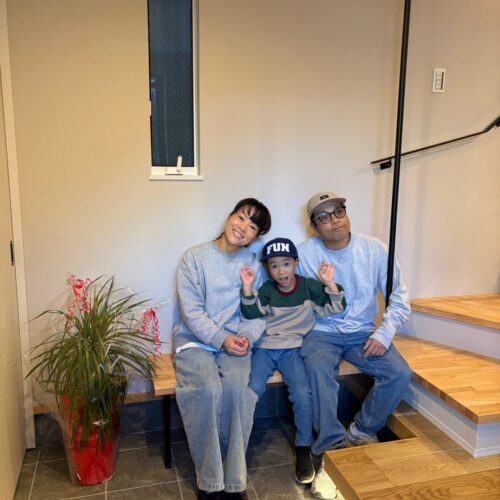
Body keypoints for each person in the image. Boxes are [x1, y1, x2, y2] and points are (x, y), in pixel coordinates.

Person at [297, 192, 412, 500]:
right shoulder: (304, 255)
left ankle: (360, 431)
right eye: (324, 217)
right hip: (321, 331)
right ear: (314, 226)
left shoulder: (374, 249)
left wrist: (384, 333)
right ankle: (330, 449)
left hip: (363, 332)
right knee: (319, 372)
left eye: (338, 212)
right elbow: (295, 301)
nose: (334, 220)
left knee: (399, 373)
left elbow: (399, 297)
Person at [172, 198, 272, 500]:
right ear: (230, 216)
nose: (243, 227)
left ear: (256, 236)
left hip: (237, 343)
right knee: (207, 389)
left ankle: (234, 482)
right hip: (194, 340)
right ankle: (209, 481)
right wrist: (220, 339)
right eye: (241, 217)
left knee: (238, 391)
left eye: (252, 226)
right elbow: (192, 312)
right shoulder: (194, 258)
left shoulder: (254, 267)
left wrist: (246, 338)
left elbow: (257, 314)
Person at [239, 237, 346, 486]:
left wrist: (329, 282)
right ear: (268, 269)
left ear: (296, 263)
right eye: (274, 266)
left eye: (286, 264)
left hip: (293, 350)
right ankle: (238, 448)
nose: (281, 271)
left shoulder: (308, 287)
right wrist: (247, 287)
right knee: (250, 389)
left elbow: (336, 307)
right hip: (265, 348)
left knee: (302, 393)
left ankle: (303, 446)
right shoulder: (267, 289)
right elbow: (251, 312)